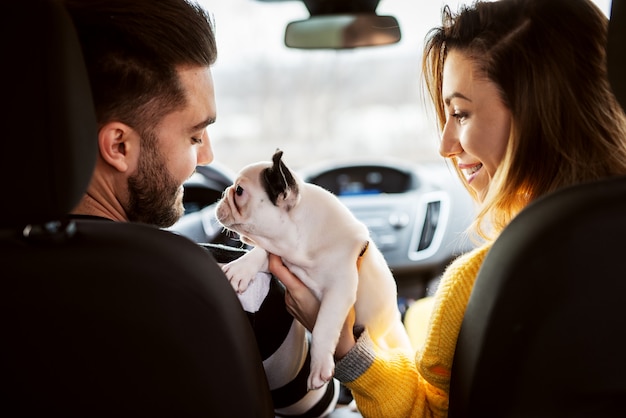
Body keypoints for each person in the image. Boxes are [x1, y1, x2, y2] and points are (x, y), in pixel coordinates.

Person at [269, 0, 626, 416]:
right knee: (420, 316)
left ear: (539, 113)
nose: (444, 145)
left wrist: (343, 340)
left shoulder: (482, 285)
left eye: (460, 113)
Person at [62, 0, 338, 415]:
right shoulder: (239, 293)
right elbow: (319, 408)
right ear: (119, 145)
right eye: (195, 136)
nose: (207, 156)